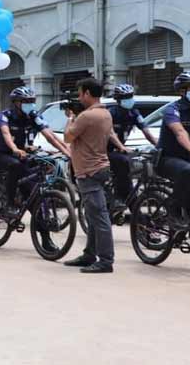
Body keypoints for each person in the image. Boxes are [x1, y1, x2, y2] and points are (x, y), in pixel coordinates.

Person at [0, 87, 69, 218]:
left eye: (32, 101)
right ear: (16, 102)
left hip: (22, 154)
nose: (30, 104)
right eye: (26, 101)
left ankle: (43, 224)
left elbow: (50, 135)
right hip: (3, 154)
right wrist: (15, 149)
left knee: (42, 167)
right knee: (15, 166)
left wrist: (67, 151)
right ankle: (9, 203)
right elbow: (6, 134)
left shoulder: (33, 116)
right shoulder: (5, 116)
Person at [63, 78, 115, 273]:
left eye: (80, 93)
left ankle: (105, 260)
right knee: (92, 215)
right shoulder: (105, 114)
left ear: (87, 93)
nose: (78, 97)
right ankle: (89, 254)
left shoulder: (86, 116)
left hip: (89, 170)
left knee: (99, 216)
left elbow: (68, 136)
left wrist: (70, 118)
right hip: (100, 167)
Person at [155, 71, 190, 267]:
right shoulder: (173, 110)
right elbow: (179, 132)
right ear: (182, 90)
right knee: (188, 171)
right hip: (168, 159)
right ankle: (173, 206)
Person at [107, 84, 158, 210]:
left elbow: (147, 132)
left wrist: (159, 145)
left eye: (130, 96)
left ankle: (131, 201)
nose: (129, 99)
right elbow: (110, 132)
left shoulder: (134, 113)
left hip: (120, 150)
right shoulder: (111, 113)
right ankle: (119, 196)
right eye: (125, 97)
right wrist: (120, 147)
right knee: (123, 162)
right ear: (118, 100)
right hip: (106, 150)